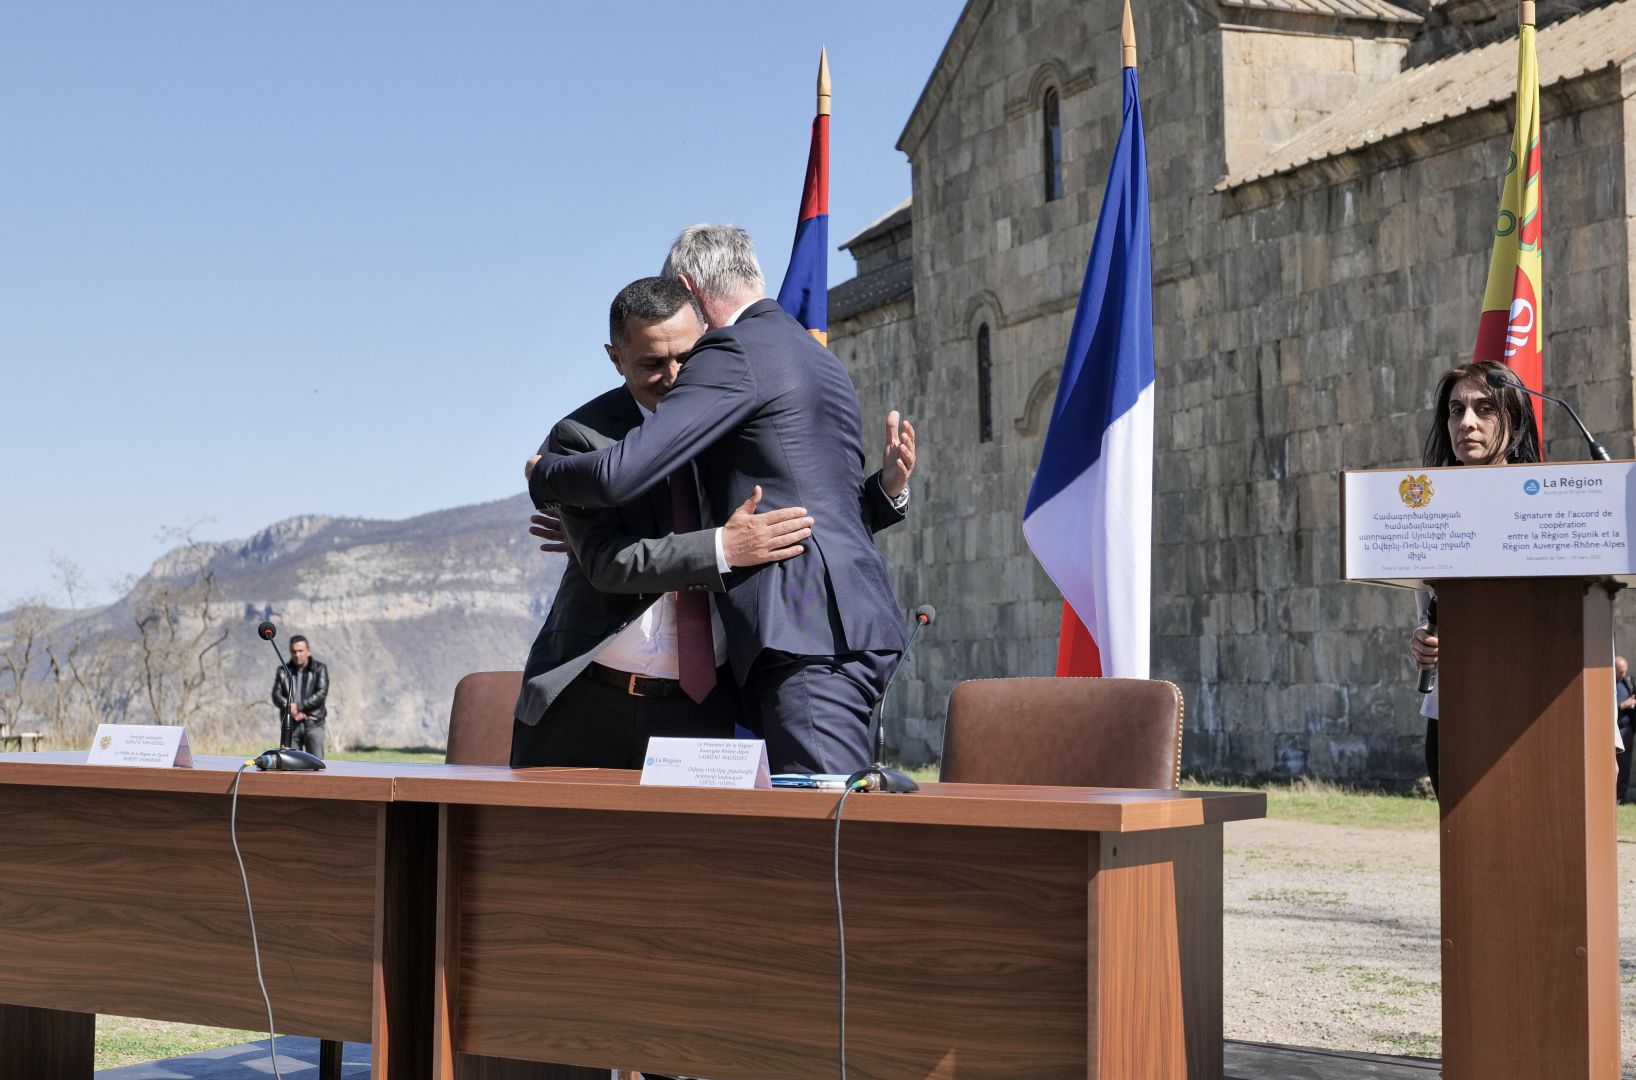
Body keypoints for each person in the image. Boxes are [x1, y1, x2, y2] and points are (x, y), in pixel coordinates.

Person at [531, 225, 913, 774]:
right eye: (652, 364)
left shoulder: (734, 350)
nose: (678, 376)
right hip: (814, 631)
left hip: (802, 634)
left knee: (828, 836)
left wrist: (545, 477)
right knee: (815, 826)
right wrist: (885, 494)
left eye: (686, 356)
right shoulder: (809, 352)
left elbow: (619, 476)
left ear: (687, 288)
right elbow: (806, 499)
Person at [1409, 360, 1625, 795]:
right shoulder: (1429, 513)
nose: (1466, 422)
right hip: (1456, 721)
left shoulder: (1555, 507)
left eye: (1484, 408)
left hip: (1544, 716)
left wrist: (1609, 737)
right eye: (1455, 410)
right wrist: (1424, 642)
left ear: (1514, 418)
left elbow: (1593, 629)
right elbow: (1430, 614)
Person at [270, 634, 329, 759]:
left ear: (308, 651)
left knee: (316, 763)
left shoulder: (319, 669)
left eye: (300, 651)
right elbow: (276, 695)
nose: (297, 654)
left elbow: (321, 693)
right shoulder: (283, 671)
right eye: (294, 651)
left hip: (313, 722)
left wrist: (299, 707)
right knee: (290, 762)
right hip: (291, 725)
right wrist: (288, 707)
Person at [1617, 656, 1636, 803]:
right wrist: (1622, 706)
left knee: (1624, 765)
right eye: (1620, 672)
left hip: (1627, 730)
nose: (1623, 675)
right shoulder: (1609, 684)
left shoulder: (1627, 682)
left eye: (1624, 672)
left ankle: (1621, 798)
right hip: (1615, 728)